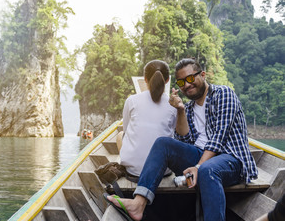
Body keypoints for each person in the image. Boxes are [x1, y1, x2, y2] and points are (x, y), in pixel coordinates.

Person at [106, 58, 258, 221]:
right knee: (163, 143)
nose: (187, 84)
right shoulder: (190, 109)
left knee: (208, 170)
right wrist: (180, 110)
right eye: (181, 82)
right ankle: (138, 203)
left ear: (203, 75)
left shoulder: (223, 94)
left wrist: (198, 166)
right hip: (201, 158)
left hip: (230, 159)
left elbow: (219, 137)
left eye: (191, 78)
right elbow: (185, 140)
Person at [119, 60, 177, 177]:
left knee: (120, 135)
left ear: (145, 79)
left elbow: (126, 129)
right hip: (163, 171)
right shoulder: (174, 105)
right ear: (167, 80)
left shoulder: (132, 100)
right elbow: (174, 131)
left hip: (134, 171)